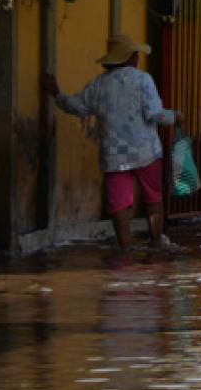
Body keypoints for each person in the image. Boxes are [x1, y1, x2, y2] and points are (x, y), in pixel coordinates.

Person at [42, 34, 177, 251]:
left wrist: (57, 93)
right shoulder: (143, 80)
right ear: (132, 58)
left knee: (119, 204)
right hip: (146, 153)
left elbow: (76, 107)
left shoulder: (98, 85)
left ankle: (125, 250)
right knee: (153, 197)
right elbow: (154, 114)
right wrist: (175, 117)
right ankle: (156, 242)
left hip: (115, 156)